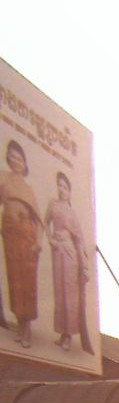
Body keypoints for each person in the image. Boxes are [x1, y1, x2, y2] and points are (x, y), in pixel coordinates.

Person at [45, 171, 93, 354]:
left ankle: (68, 336)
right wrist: (50, 239)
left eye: (65, 187)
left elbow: (79, 241)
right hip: (57, 252)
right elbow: (45, 223)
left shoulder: (72, 213)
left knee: (70, 294)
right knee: (59, 293)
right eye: (60, 185)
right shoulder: (52, 204)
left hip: (70, 254)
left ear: (70, 191)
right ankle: (61, 333)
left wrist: (85, 267)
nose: (62, 189)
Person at [0, 140, 42, 348]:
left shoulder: (28, 189)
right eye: (13, 157)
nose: (16, 161)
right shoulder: (3, 178)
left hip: (27, 238)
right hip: (10, 237)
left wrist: (38, 243)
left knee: (27, 285)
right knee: (15, 282)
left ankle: (27, 329)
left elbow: (39, 221)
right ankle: (19, 324)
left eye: (20, 158)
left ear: (25, 163)